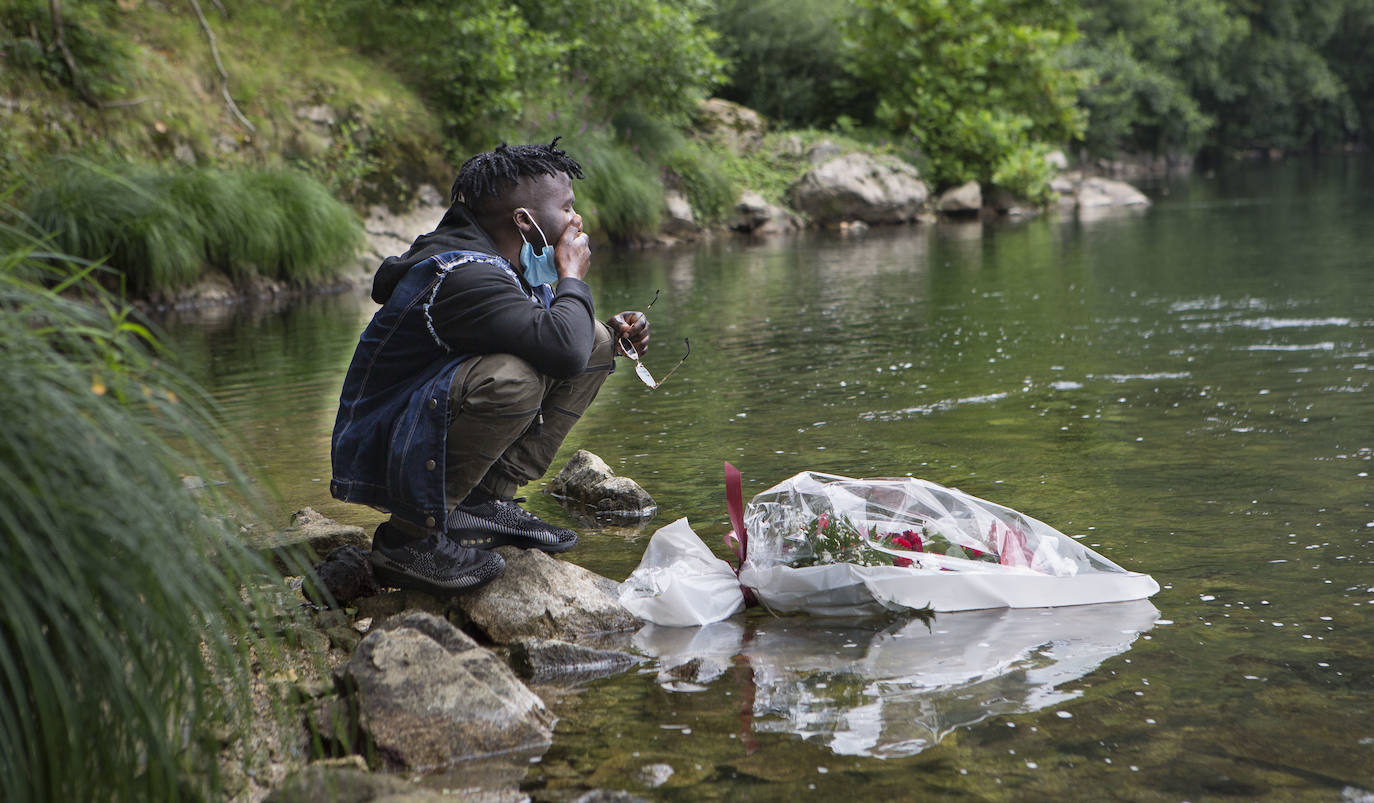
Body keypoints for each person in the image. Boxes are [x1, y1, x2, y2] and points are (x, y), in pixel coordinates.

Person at [329, 139, 650, 595]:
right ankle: (408, 538)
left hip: (423, 428)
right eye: (567, 208)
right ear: (524, 220)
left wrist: (613, 331)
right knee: (513, 380)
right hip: (387, 451)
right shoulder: (465, 274)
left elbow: (566, 340)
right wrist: (572, 277)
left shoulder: (505, 258)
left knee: (597, 340)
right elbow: (560, 350)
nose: (576, 220)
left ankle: (483, 501)